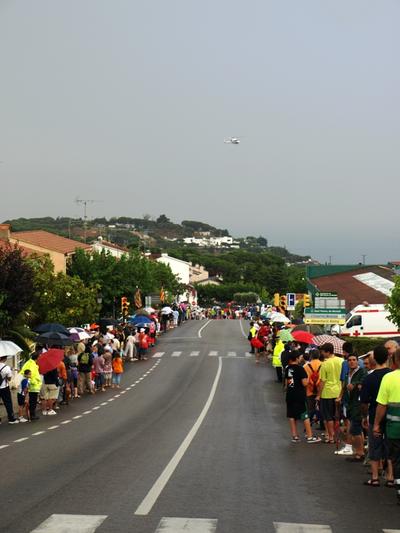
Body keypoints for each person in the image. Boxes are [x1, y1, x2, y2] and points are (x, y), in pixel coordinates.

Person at [360, 345, 393, 486]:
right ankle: (391, 477)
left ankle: (374, 477)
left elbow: (364, 402)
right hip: (391, 416)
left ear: (374, 359)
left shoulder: (368, 378)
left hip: (374, 416)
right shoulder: (392, 376)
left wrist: (364, 416)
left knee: (374, 446)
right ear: (388, 357)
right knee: (390, 446)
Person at [374, 348, 400, 504]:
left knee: (396, 458)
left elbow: (382, 406)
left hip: (395, 428)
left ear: (395, 361)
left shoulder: (389, 378)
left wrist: (376, 424)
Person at [284, 351, 321, 443]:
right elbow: (304, 383)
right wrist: (308, 379)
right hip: (299, 395)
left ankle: (294, 436)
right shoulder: (300, 369)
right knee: (305, 415)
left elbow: (286, 383)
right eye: (299, 357)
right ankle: (309, 436)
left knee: (292, 415)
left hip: (290, 394)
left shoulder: (288, 368)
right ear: (296, 358)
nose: (301, 358)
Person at [342, 354, 367, 461]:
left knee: (355, 429)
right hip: (350, 403)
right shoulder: (348, 373)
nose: (351, 362)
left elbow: (363, 381)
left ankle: (360, 453)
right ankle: (359, 451)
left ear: (357, 361)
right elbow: (344, 386)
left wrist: (355, 384)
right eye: (349, 360)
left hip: (358, 403)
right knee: (356, 429)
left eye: (354, 360)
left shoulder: (361, 371)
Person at [316, 343, 343, 444]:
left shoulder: (324, 364)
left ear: (327, 352)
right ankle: (338, 437)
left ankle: (331, 437)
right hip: (339, 392)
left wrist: (318, 395)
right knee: (338, 416)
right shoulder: (341, 361)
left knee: (328, 417)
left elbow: (322, 381)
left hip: (327, 393)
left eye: (322, 352)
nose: (322, 354)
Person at [19, 350, 42, 420]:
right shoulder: (32, 365)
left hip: (32, 385)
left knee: (32, 401)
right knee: (33, 401)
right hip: (33, 386)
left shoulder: (29, 363)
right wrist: (35, 382)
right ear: (37, 358)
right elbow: (30, 375)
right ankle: (32, 415)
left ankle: (31, 414)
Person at [304, 349, 322, 425]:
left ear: (310, 356)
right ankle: (320, 422)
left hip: (309, 390)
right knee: (321, 408)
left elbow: (305, 380)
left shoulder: (305, 366)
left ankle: (309, 422)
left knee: (310, 408)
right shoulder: (323, 364)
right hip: (320, 390)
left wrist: (311, 383)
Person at [0, 356, 19, 424]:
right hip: (4, 387)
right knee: (8, 403)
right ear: (5, 359)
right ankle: (11, 419)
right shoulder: (6, 368)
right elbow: (9, 379)